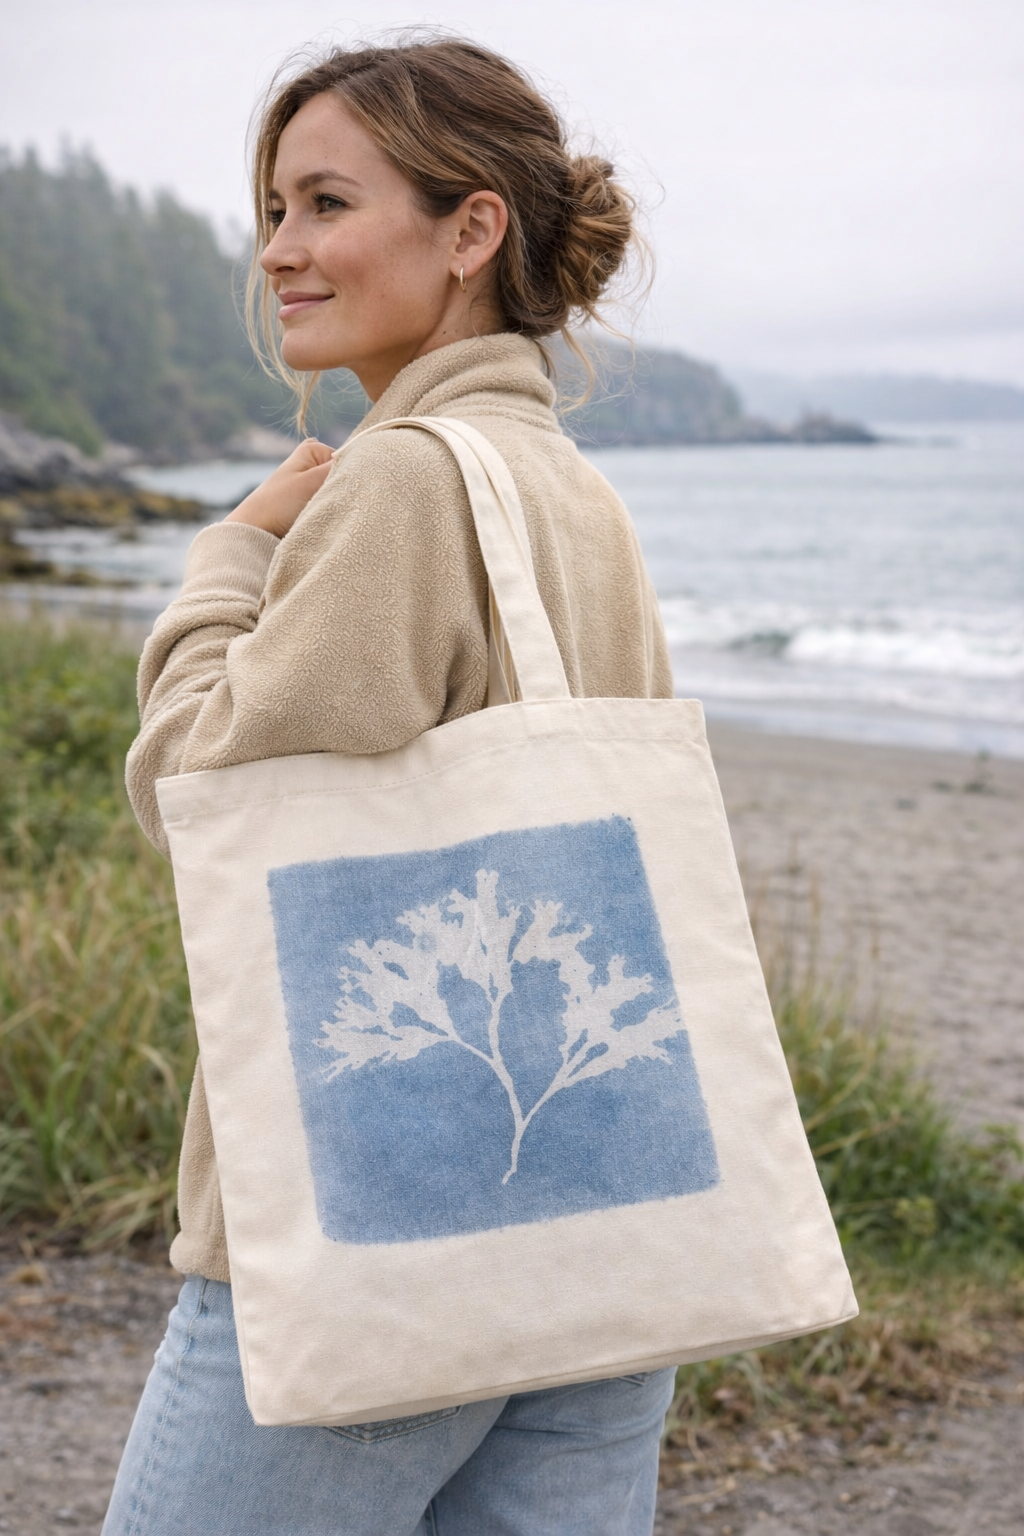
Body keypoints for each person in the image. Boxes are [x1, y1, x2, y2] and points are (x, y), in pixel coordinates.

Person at [105, 36, 677, 1536]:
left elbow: (200, 804)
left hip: (382, 1217)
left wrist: (229, 562)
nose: (280, 250)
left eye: (323, 203)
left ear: (471, 229)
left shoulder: (409, 476)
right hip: (608, 1217)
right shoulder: (571, 481)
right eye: (274, 210)